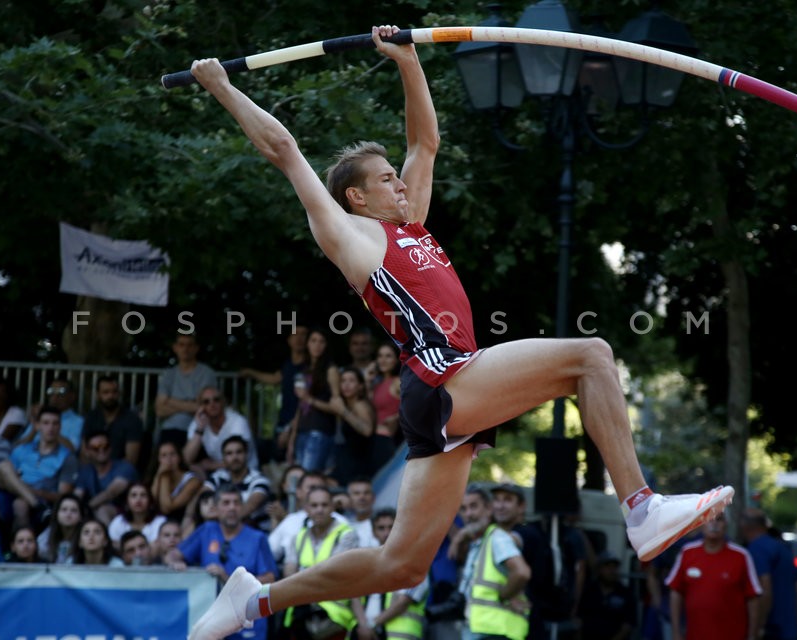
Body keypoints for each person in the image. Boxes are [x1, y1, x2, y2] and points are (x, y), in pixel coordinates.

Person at [184, 25, 733, 640]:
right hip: (443, 377)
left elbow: (427, 139)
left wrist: (407, 61)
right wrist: (222, 87)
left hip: (442, 396)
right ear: (357, 197)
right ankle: (640, 509)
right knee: (592, 357)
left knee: (401, 565)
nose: (400, 180)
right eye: (386, 177)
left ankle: (253, 600)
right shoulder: (352, 236)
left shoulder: (410, 225)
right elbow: (284, 149)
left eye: (397, 175)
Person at [166, 486, 277, 640]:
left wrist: (228, 578)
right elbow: (172, 555)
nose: (232, 507)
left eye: (236, 503)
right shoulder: (206, 530)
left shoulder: (257, 538)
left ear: (242, 507)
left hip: (248, 619)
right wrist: (176, 563)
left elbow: (270, 579)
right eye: (226, 503)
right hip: (210, 616)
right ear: (216, 508)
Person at [281, 484, 360, 640]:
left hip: (334, 620)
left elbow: (334, 573)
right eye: (314, 505)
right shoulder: (299, 537)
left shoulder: (346, 534)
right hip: (301, 616)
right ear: (306, 508)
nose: (319, 509)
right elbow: (288, 573)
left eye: (324, 505)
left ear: (332, 507)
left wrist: (301, 577)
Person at [666, 512, 761, 640]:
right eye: (709, 520)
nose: (714, 524)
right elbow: (675, 591)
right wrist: (676, 632)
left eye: (719, 520)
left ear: (726, 524)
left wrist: (752, 635)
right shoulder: (687, 553)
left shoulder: (741, 556)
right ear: (701, 524)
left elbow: (753, 597)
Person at [452, 485, 531, 640]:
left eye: (474, 506)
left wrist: (504, 596)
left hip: (496, 631)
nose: (469, 514)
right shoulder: (481, 542)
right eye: (463, 509)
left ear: (489, 509)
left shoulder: (497, 537)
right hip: (482, 629)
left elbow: (522, 572)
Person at [490, 483, 561, 640]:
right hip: (509, 624)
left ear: (521, 506)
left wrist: (502, 597)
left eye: (507, 500)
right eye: (496, 500)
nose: (500, 506)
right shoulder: (498, 534)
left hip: (528, 622)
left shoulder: (527, 533)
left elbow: (509, 543)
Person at [353, 507, 429, 640]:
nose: (387, 533)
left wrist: (371, 625)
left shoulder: (414, 561)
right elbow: (354, 596)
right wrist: (364, 626)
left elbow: (403, 602)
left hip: (398, 635)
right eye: (381, 528)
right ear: (373, 532)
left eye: (391, 527)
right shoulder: (366, 561)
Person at [0, 405, 78, 529]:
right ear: (37, 425)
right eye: (46, 423)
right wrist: (23, 488)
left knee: (20, 504)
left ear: (60, 427)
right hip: (13, 494)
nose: (50, 428)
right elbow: (3, 479)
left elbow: (63, 496)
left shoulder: (67, 457)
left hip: (44, 499)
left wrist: (34, 492)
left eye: (55, 423)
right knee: (4, 466)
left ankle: (22, 544)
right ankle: (36, 506)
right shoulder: (23, 449)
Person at [240, 324, 309, 464]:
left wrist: (290, 428)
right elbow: (274, 378)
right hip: (284, 421)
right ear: (289, 340)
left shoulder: (310, 367)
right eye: (296, 334)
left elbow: (306, 401)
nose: (300, 338)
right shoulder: (288, 365)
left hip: (301, 424)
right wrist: (250, 373)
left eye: (304, 334)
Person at [738, 508, 797, 640]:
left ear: (744, 526)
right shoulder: (783, 549)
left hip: (771, 630)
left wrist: (759, 627)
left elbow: (764, 589)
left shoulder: (756, 549)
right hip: (790, 629)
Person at [287, 327, 341, 473]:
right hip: (302, 431)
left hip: (320, 431)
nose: (317, 345)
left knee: (309, 479)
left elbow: (337, 407)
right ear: (307, 344)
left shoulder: (331, 370)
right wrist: (292, 438)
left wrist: (309, 399)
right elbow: (300, 405)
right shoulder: (305, 370)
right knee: (299, 478)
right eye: (313, 341)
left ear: (326, 345)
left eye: (321, 341)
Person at [155, 332, 219, 451]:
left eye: (190, 345)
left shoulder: (206, 373)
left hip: (198, 428)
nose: (185, 349)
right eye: (181, 345)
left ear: (196, 349)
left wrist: (169, 401)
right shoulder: (169, 375)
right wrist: (190, 404)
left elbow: (204, 407)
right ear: (175, 348)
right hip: (170, 430)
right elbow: (159, 411)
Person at [203, 435, 273, 532]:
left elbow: (249, 507)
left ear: (246, 455)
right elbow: (203, 499)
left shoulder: (259, 480)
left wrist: (216, 515)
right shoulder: (218, 477)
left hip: (256, 532)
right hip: (222, 529)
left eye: (239, 452)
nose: (235, 457)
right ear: (223, 459)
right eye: (229, 453)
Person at [184, 386, 258, 476]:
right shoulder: (199, 422)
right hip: (220, 474)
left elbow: (239, 459)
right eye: (206, 402)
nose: (212, 404)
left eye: (216, 400)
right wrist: (200, 429)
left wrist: (211, 465)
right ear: (200, 407)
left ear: (223, 402)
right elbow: (187, 458)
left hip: (245, 473)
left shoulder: (238, 422)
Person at [74, 429, 138, 525]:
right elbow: (77, 496)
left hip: (127, 513)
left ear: (111, 448)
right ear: (87, 451)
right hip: (94, 512)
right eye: (96, 448)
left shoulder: (125, 467)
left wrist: (86, 508)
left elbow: (111, 492)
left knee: (102, 511)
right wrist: (73, 507)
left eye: (105, 446)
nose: (101, 450)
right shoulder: (85, 471)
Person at [81, 375, 145, 468]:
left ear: (119, 394)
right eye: (105, 392)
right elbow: (84, 454)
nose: (110, 396)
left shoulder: (132, 419)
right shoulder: (91, 417)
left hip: (121, 473)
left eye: (114, 392)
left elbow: (131, 459)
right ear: (98, 395)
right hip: (93, 471)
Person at [330, 368, 376, 487]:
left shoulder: (360, 405)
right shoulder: (347, 405)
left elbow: (367, 431)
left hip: (359, 464)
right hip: (348, 461)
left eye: (351, 381)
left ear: (360, 386)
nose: (346, 385)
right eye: (343, 381)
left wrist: (343, 411)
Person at [576, 550, 636, 640]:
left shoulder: (626, 594)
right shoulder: (588, 592)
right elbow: (578, 620)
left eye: (614, 567)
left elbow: (627, 626)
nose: (612, 570)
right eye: (607, 566)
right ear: (599, 569)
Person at [16, 377, 85, 453]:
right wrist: (34, 429)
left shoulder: (78, 421)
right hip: (29, 459)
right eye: (51, 391)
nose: (55, 397)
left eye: (61, 392)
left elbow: (73, 449)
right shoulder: (41, 417)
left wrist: (52, 432)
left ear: (72, 396)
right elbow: (17, 447)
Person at [150, 439, 203, 522]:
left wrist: (164, 476)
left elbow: (167, 508)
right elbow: (151, 501)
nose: (169, 459)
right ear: (158, 460)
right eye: (164, 456)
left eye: (172, 454)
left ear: (179, 457)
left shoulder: (193, 480)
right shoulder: (155, 476)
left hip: (179, 521)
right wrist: (158, 476)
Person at [369, 341, 402, 471]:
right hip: (375, 440)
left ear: (396, 359)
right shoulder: (377, 383)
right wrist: (367, 379)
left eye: (388, 356)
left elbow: (415, 405)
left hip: (390, 439)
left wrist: (396, 417)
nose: (383, 360)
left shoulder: (397, 381)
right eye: (380, 356)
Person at [108, 481, 167, 550]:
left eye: (143, 495)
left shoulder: (160, 522)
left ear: (150, 501)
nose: (138, 499)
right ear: (126, 501)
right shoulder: (118, 521)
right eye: (133, 495)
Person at [38, 492, 89, 563]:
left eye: (73, 510)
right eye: (64, 510)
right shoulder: (46, 536)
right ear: (57, 514)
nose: (68, 514)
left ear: (81, 517)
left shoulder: (87, 535)